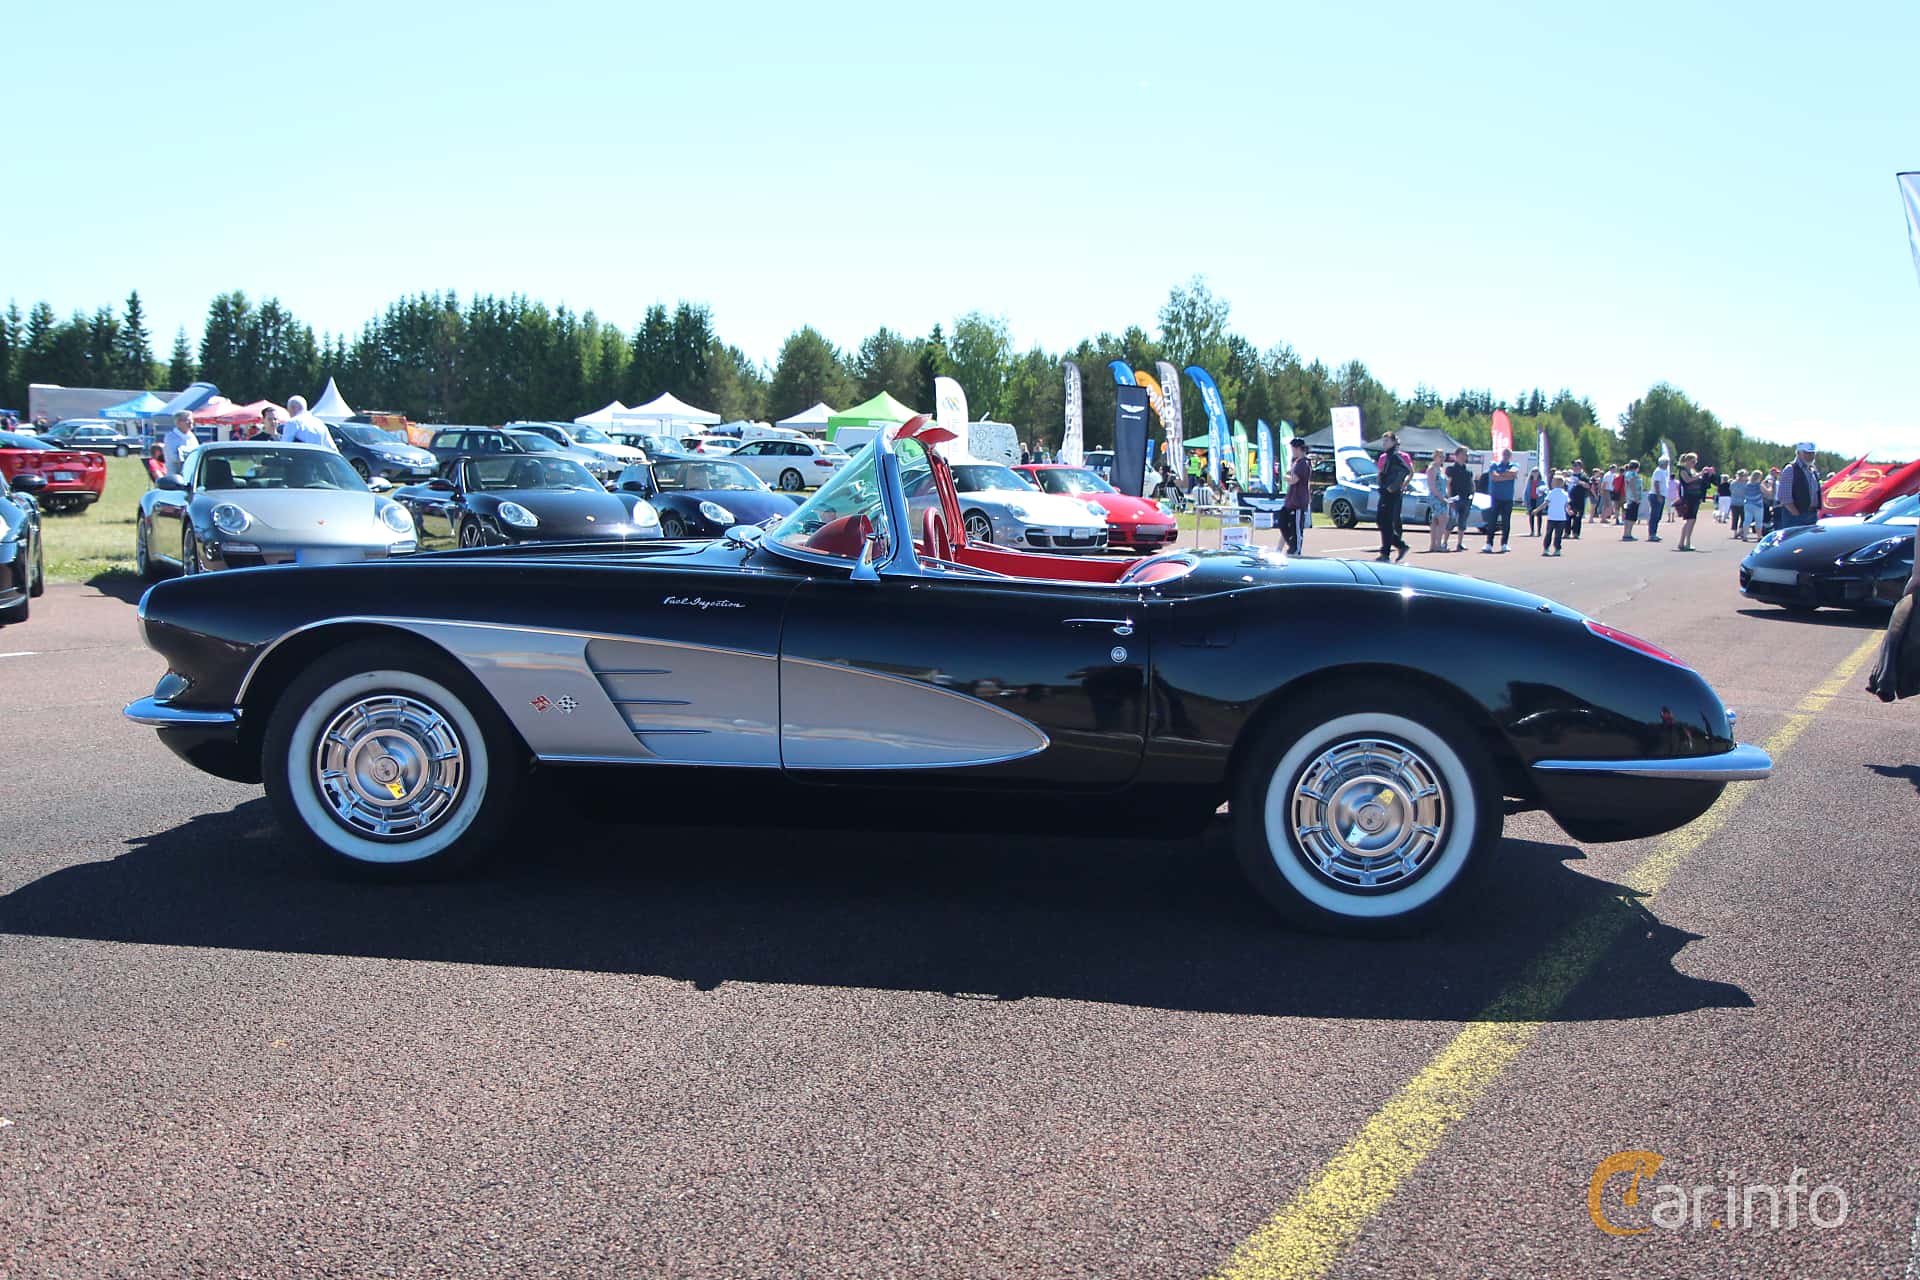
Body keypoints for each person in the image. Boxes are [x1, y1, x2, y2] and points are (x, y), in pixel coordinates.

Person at [1374, 431, 1412, 562]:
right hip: (1385, 492)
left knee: (1386, 521)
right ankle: (1399, 546)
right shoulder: (1389, 456)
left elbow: (1405, 470)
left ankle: (1386, 553)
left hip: (1391, 494)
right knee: (1382, 520)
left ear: (1394, 442)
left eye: (1387, 441)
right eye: (1383, 441)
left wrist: (1393, 486)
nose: (1384, 444)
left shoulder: (1395, 456)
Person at [1779, 442, 1823, 529]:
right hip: (1796, 517)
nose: (1810, 456)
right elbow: (1784, 497)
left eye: (1812, 453)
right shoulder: (1790, 469)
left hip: (1812, 515)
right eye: (1806, 453)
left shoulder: (1813, 471)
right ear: (1798, 453)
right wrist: (1796, 513)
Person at [1481, 447, 1516, 553]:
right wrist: (1507, 477)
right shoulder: (1494, 465)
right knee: (1492, 521)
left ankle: (1504, 543)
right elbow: (1494, 477)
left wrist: (1502, 476)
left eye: (1508, 454)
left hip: (1508, 498)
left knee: (1506, 522)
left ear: (1510, 456)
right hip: (1495, 497)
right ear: (1502, 455)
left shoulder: (1514, 465)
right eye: (1504, 454)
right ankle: (1489, 543)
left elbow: (1513, 473)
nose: (1506, 456)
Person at [1281, 437, 1311, 556]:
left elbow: (1294, 480)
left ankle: (1296, 549)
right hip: (1291, 500)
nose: (1292, 450)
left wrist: (1286, 477)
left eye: (1294, 448)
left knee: (1297, 527)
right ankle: (1291, 545)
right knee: (1283, 521)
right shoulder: (1296, 462)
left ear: (1299, 448)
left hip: (1298, 501)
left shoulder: (1303, 463)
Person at [1672, 452, 1704, 551]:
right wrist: (1700, 474)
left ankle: (1682, 542)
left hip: (1695, 497)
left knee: (1691, 520)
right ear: (1687, 461)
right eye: (1693, 461)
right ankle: (1687, 542)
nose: (1694, 463)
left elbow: (1697, 479)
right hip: (1688, 497)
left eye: (1695, 461)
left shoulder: (1692, 470)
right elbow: (1688, 480)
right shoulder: (1683, 470)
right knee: (1690, 520)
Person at [1445, 447, 1474, 551]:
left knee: (1462, 522)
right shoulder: (1451, 470)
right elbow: (1448, 484)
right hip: (1455, 499)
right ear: (1457, 455)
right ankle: (1444, 542)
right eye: (1464, 454)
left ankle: (1460, 543)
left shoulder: (1468, 471)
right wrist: (1449, 499)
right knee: (1451, 521)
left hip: (1466, 499)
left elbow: (1472, 484)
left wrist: (1472, 496)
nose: (1465, 456)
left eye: (1466, 454)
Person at [1534, 472, 1570, 555]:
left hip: (1552, 517)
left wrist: (1537, 509)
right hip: (1561, 518)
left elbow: (1545, 503)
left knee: (1549, 533)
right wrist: (1569, 511)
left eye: (1553, 482)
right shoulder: (1565, 494)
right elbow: (1567, 505)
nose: (1551, 483)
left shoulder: (1551, 493)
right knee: (1558, 535)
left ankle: (1546, 548)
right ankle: (1557, 549)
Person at [1424, 450, 1450, 552]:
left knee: (1436, 521)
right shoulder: (1432, 469)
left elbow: (1445, 484)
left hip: (1442, 496)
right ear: (1435, 457)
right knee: (1442, 520)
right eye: (1440, 456)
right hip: (1436, 498)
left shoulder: (1441, 469)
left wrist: (1447, 496)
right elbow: (1432, 486)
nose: (1442, 458)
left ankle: (1434, 544)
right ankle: (1437, 545)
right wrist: (1441, 497)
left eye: (1443, 456)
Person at [161, 411, 199, 479]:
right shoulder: (170, 437)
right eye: (187, 420)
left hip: (191, 476)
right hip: (175, 478)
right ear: (178, 423)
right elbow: (174, 457)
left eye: (191, 419)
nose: (191, 422)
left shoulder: (192, 436)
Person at [1646, 456, 1670, 542]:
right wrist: (1658, 495)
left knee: (1657, 516)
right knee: (1655, 515)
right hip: (1656, 495)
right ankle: (1652, 534)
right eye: (1666, 463)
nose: (1667, 465)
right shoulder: (1658, 471)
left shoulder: (1663, 472)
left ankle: (1654, 533)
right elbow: (1656, 483)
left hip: (1660, 495)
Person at [1566, 465, 1589, 539]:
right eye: (1574, 466)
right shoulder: (1570, 476)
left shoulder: (1584, 476)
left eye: (1576, 466)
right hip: (1570, 499)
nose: (1575, 468)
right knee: (1568, 516)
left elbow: (1588, 486)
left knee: (1577, 517)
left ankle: (1576, 533)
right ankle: (1567, 532)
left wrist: (1580, 482)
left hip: (1579, 499)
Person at [1524, 467, 1543, 536]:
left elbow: (1545, 492)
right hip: (1531, 500)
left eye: (1536, 471)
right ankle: (1532, 531)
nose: (1535, 473)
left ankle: (1539, 531)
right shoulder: (1529, 482)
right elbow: (1526, 492)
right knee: (1531, 515)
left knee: (1539, 516)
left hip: (1539, 501)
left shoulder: (1542, 482)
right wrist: (1525, 501)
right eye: (1533, 471)